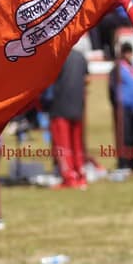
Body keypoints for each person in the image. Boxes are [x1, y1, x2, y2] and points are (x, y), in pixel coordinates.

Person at [48, 47, 89, 189]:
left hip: (60, 106)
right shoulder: (80, 56)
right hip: (78, 106)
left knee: (63, 145)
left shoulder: (56, 57)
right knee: (77, 144)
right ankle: (80, 174)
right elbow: (86, 79)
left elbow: (48, 81)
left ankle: (69, 177)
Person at [109, 41, 133, 170]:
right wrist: (116, 104)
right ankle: (122, 162)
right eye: (126, 52)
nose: (129, 55)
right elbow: (111, 88)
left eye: (130, 52)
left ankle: (132, 160)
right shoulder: (117, 68)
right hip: (122, 107)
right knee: (123, 135)